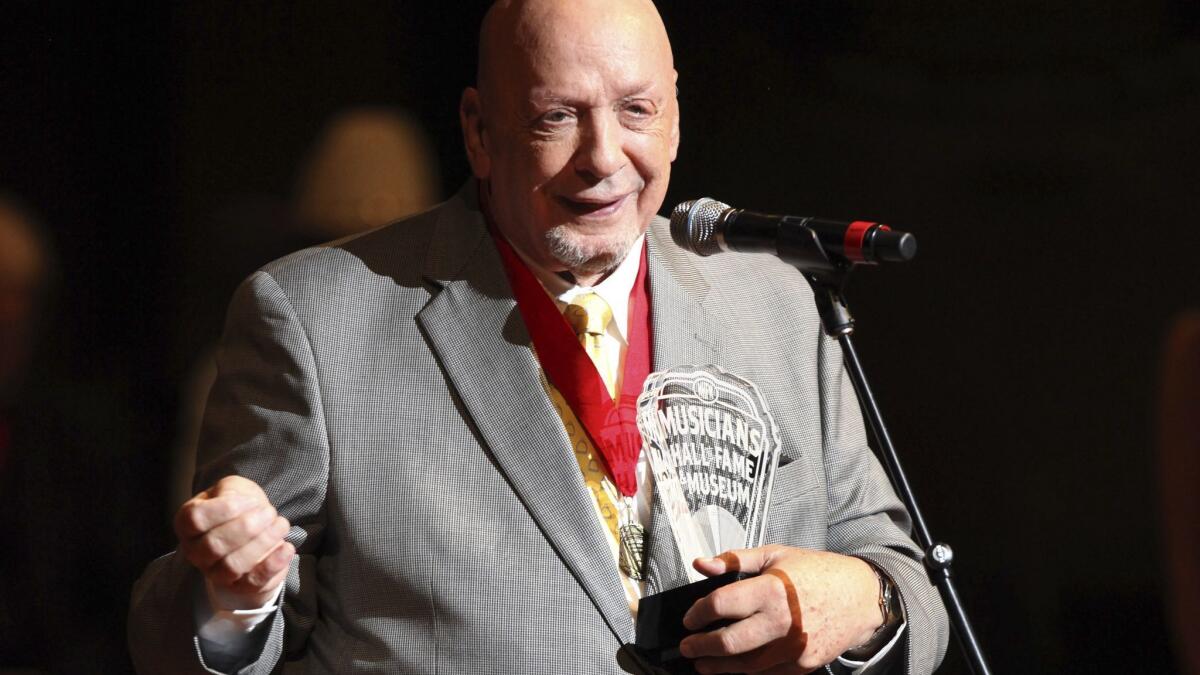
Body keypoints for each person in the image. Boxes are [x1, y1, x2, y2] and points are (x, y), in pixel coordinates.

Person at [129, 1, 949, 673]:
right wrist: (230, 600)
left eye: (636, 111)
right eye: (558, 117)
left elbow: (902, 575)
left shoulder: (774, 300)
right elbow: (174, 647)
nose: (605, 157)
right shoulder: (312, 318)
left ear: (674, 116)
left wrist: (860, 602)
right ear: (480, 131)